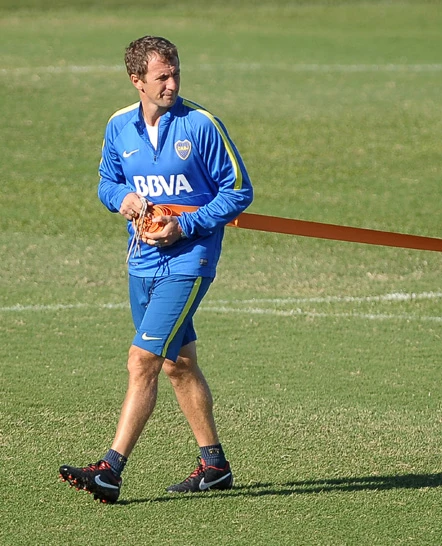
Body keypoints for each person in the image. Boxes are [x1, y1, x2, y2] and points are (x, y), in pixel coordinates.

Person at [59, 36, 254, 504]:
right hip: (141, 260)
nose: (172, 83)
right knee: (177, 363)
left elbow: (239, 191)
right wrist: (120, 199)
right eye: (161, 76)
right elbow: (108, 181)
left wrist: (185, 225)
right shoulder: (118, 127)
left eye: (175, 73)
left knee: (142, 360)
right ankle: (215, 466)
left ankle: (110, 469)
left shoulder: (202, 125)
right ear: (137, 81)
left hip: (190, 260)